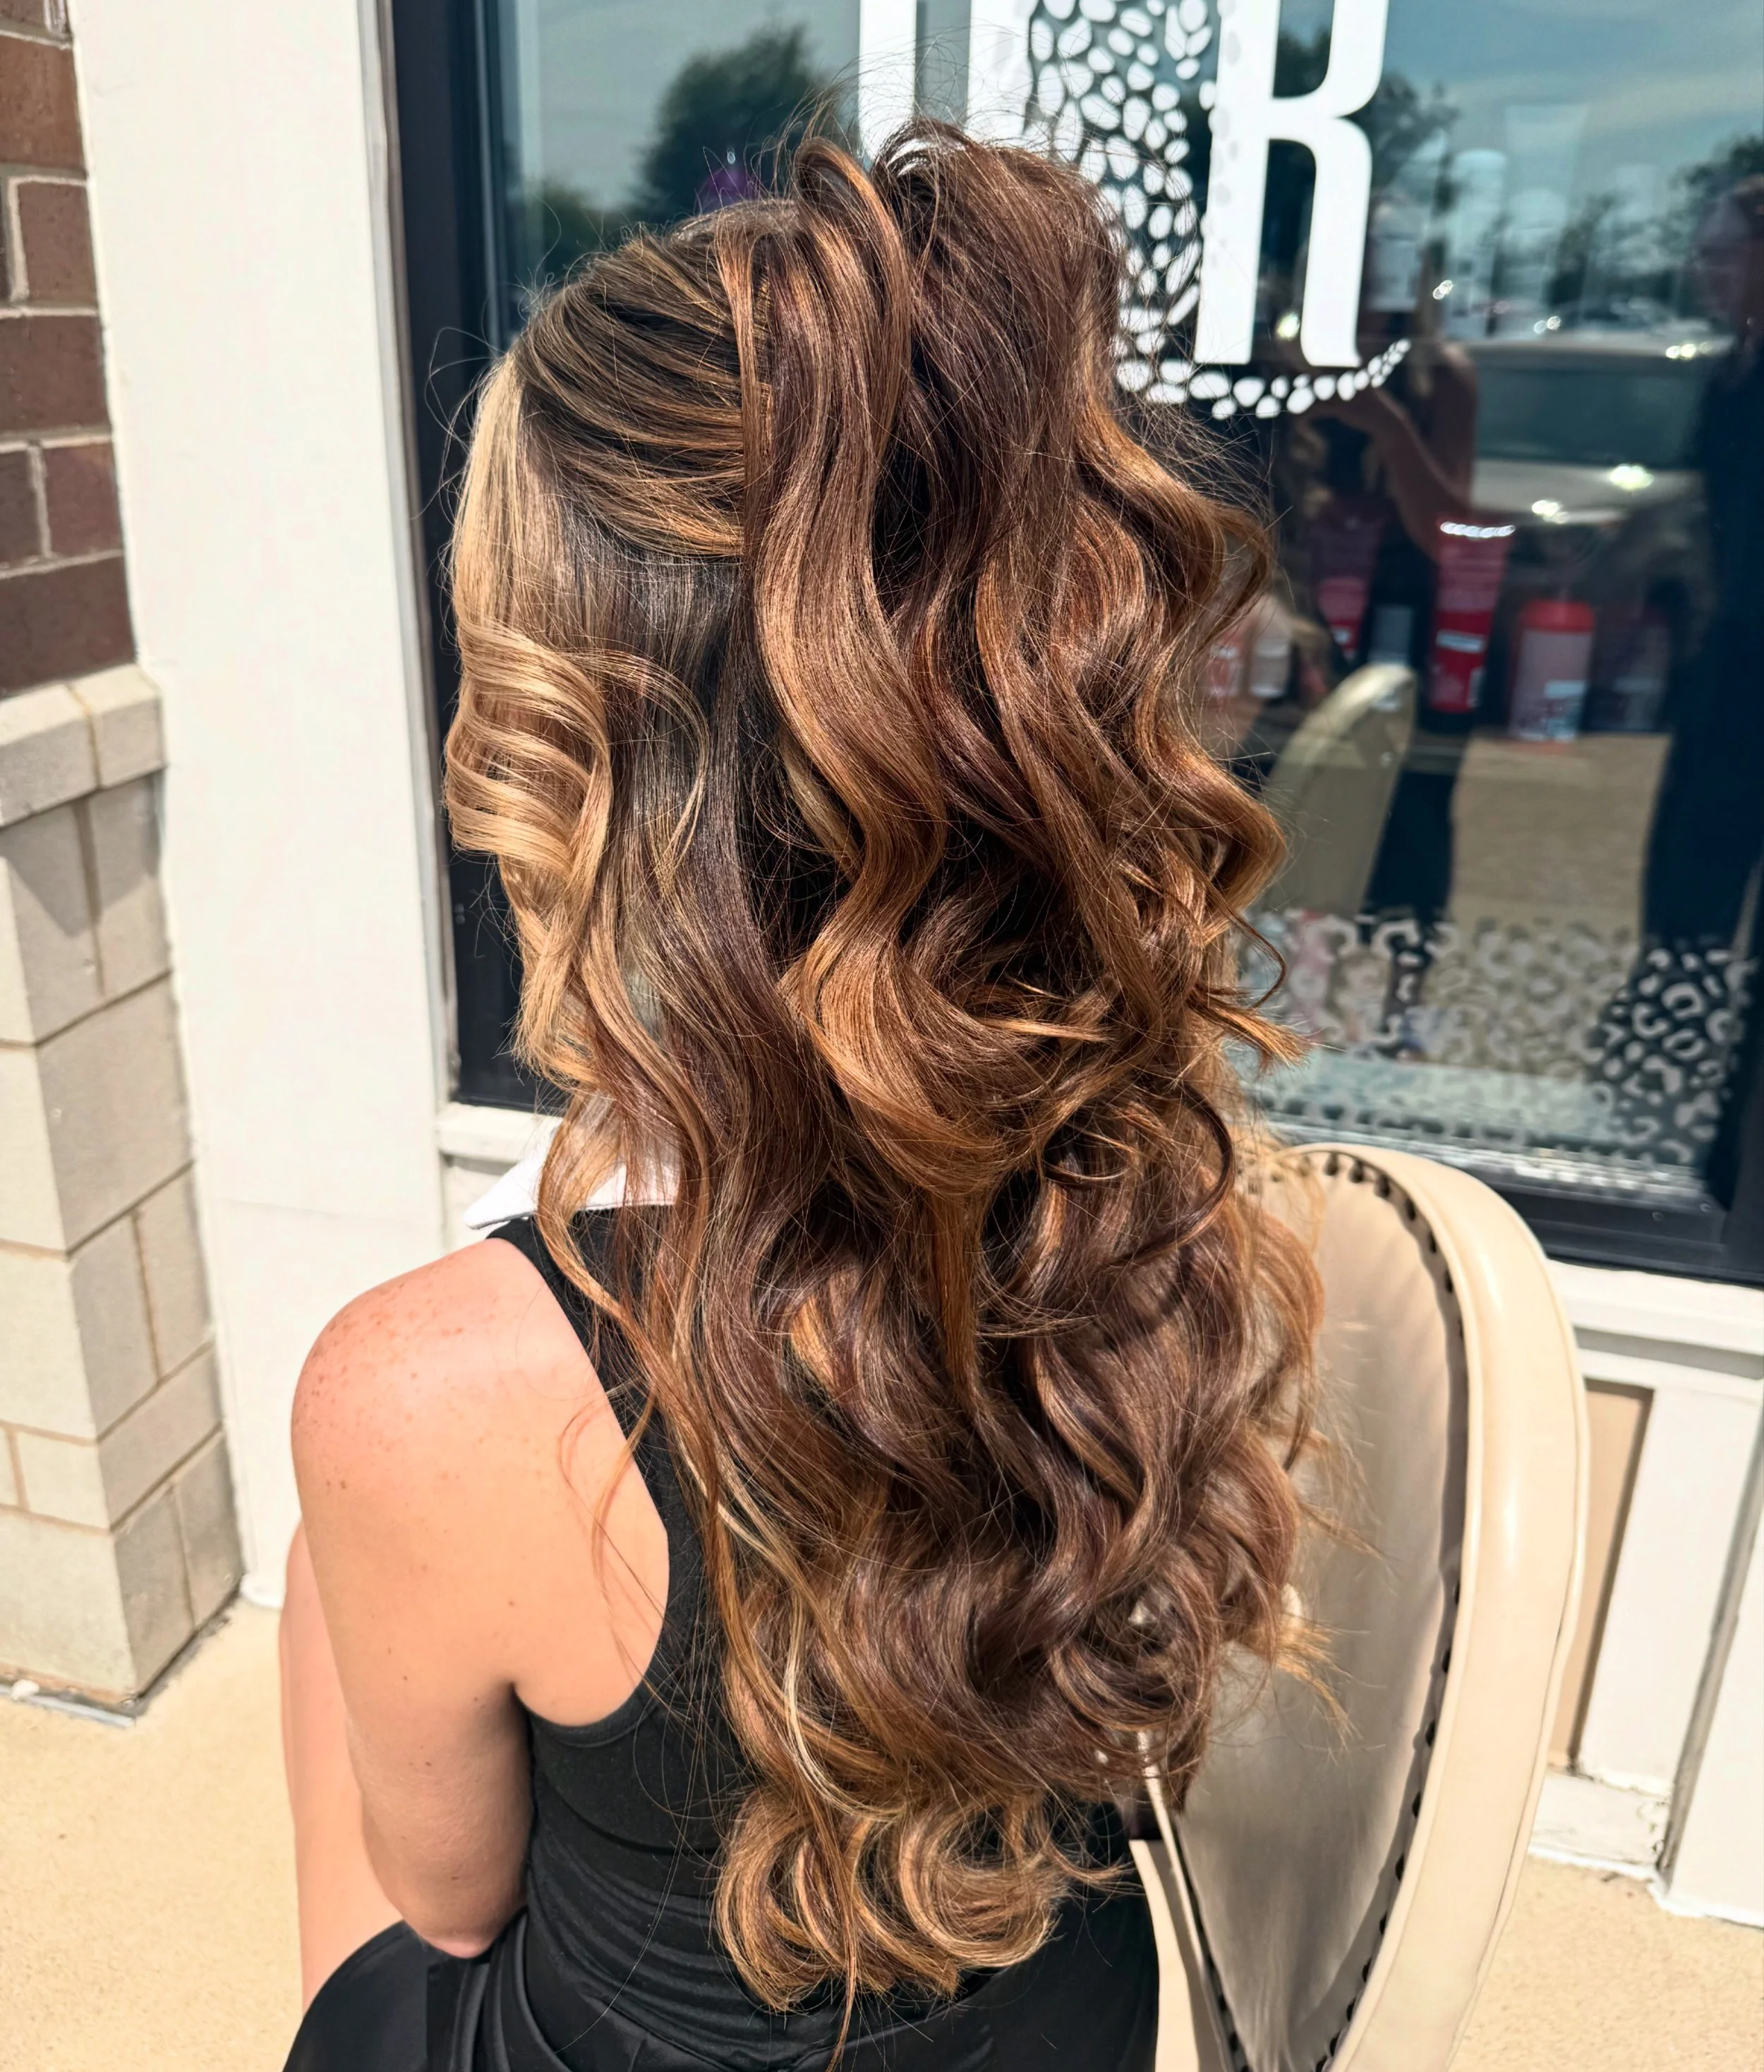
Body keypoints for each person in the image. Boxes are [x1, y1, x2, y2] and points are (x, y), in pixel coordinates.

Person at [279, 125, 1318, 2072]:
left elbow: (446, 1904)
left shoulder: (432, 1383)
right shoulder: (1160, 1209)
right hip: (1072, 2026)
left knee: (321, 1628)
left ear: (561, 750)